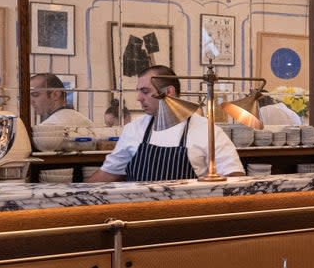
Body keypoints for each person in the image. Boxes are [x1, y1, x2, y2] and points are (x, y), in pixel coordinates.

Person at [87, 65, 244, 182]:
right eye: (138, 91)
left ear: (169, 92)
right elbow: (108, 173)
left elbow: (234, 176)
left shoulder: (207, 130)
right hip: (138, 216)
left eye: (145, 91)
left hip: (186, 217)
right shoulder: (134, 129)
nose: (138, 98)